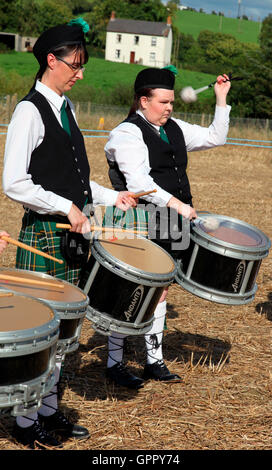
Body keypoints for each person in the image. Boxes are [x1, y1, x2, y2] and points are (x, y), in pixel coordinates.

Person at [2, 18, 136, 449]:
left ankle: (46, 409)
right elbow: (14, 183)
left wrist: (112, 197)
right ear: (51, 60)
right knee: (39, 333)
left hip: (71, 235)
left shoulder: (67, 109)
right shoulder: (29, 111)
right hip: (44, 233)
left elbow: (75, 181)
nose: (80, 74)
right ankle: (23, 423)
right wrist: (67, 208)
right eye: (74, 66)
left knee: (61, 335)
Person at [104, 66, 231, 389]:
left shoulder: (174, 128)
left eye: (172, 102)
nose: (170, 108)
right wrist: (176, 204)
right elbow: (139, 183)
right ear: (144, 101)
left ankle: (153, 361)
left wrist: (221, 99)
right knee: (132, 288)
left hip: (170, 222)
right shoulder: (127, 133)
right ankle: (114, 363)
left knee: (161, 289)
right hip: (138, 221)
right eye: (163, 102)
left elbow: (216, 137)